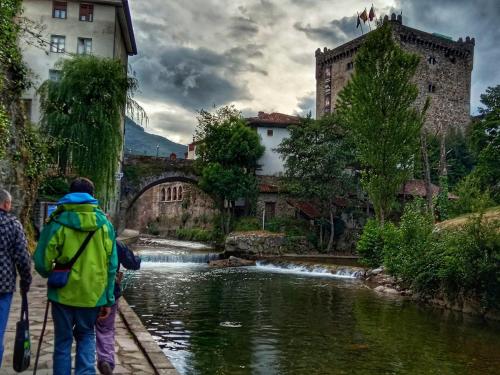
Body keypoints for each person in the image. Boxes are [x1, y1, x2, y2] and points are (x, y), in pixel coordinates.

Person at [34, 178, 118, 375]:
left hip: (62, 293)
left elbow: (41, 261)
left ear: (70, 194)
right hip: (92, 295)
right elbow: (112, 265)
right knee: (86, 336)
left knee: (63, 342)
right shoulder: (105, 225)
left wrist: (50, 271)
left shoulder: (57, 221)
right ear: (92, 196)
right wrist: (108, 299)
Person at [96, 241, 141, 374]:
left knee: (84, 332)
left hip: (83, 292)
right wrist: (138, 259)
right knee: (105, 328)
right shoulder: (114, 243)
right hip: (108, 292)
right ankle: (106, 360)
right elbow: (132, 263)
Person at [0, 188, 32, 368]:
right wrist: (25, 281)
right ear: (6, 204)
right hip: (3, 286)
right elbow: (22, 257)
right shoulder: (12, 224)